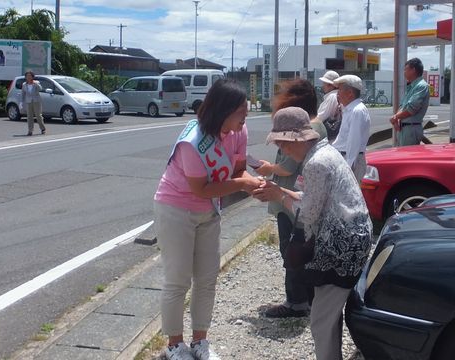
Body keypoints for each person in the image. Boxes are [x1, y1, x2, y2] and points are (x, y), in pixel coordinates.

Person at [253, 106, 373, 360]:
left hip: (341, 245)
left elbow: (307, 214)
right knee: (329, 311)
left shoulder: (316, 164)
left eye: (283, 143)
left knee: (320, 318)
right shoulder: (325, 152)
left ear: (297, 139)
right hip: (353, 237)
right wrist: (281, 192)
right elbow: (313, 200)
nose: (282, 150)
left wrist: (279, 196)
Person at [154, 79, 261, 360]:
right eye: (241, 114)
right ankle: (175, 345)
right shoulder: (194, 140)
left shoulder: (239, 131)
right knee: (177, 280)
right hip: (175, 208)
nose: (245, 121)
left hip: (209, 211)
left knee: (207, 278)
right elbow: (201, 188)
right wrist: (243, 185)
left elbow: (238, 172)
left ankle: (200, 341)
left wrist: (259, 184)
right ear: (223, 110)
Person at [254, 79, 326, 318]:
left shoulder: (307, 132)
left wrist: (267, 169)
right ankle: (307, 298)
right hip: (297, 197)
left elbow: (287, 166)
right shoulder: (318, 126)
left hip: (292, 203)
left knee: (292, 250)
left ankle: (296, 302)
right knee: (301, 249)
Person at [331, 75, 371, 183]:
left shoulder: (357, 111)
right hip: (346, 158)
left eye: (339, 90)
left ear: (350, 93)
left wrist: (347, 167)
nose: (337, 94)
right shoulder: (350, 109)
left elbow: (354, 141)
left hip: (351, 161)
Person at [389, 57, 429, 146]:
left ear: (413, 70)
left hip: (411, 129)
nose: (404, 72)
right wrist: (397, 117)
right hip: (404, 128)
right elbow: (403, 106)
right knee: (400, 157)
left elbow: (411, 109)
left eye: (406, 69)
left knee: (406, 157)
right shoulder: (412, 86)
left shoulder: (421, 86)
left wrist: (395, 117)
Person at [317, 70, 341, 141]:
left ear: (331, 85)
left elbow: (321, 117)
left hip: (330, 134)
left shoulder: (332, 96)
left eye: (324, 83)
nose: (323, 86)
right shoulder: (337, 95)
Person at [21, 71, 46, 136]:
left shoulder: (36, 83)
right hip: (28, 101)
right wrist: (21, 102)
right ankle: (30, 130)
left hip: (36, 101)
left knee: (38, 115)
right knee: (29, 116)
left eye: (30, 76)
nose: (28, 77)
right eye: (27, 76)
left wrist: (35, 83)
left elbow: (40, 88)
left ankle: (42, 128)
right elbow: (23, 93)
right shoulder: (24, 84)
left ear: (32, 77)